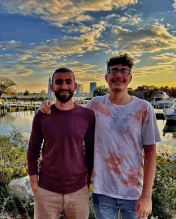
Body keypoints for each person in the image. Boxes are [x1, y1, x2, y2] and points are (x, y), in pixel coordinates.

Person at [40, 54, 161, 219]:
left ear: (130, 77)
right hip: (102, 192)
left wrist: (147, 196)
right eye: (114, 71)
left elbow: (151, 153)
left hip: (134, 193)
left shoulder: (144, 108)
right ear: (106, 77)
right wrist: (48, 106)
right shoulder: (94, 105)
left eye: (124, 71)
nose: (118, 75)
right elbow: (69, 117)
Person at [27, 67, 95, 219]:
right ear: (52, 87)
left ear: (75, 86)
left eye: (68, 82)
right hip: (46, 191)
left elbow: (90, 151)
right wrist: (34, 183)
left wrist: (88, 183)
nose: (64, 86)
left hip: (78, 191)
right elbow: (33, 151)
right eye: (59, 82)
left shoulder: (87, 115)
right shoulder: (42, 115)